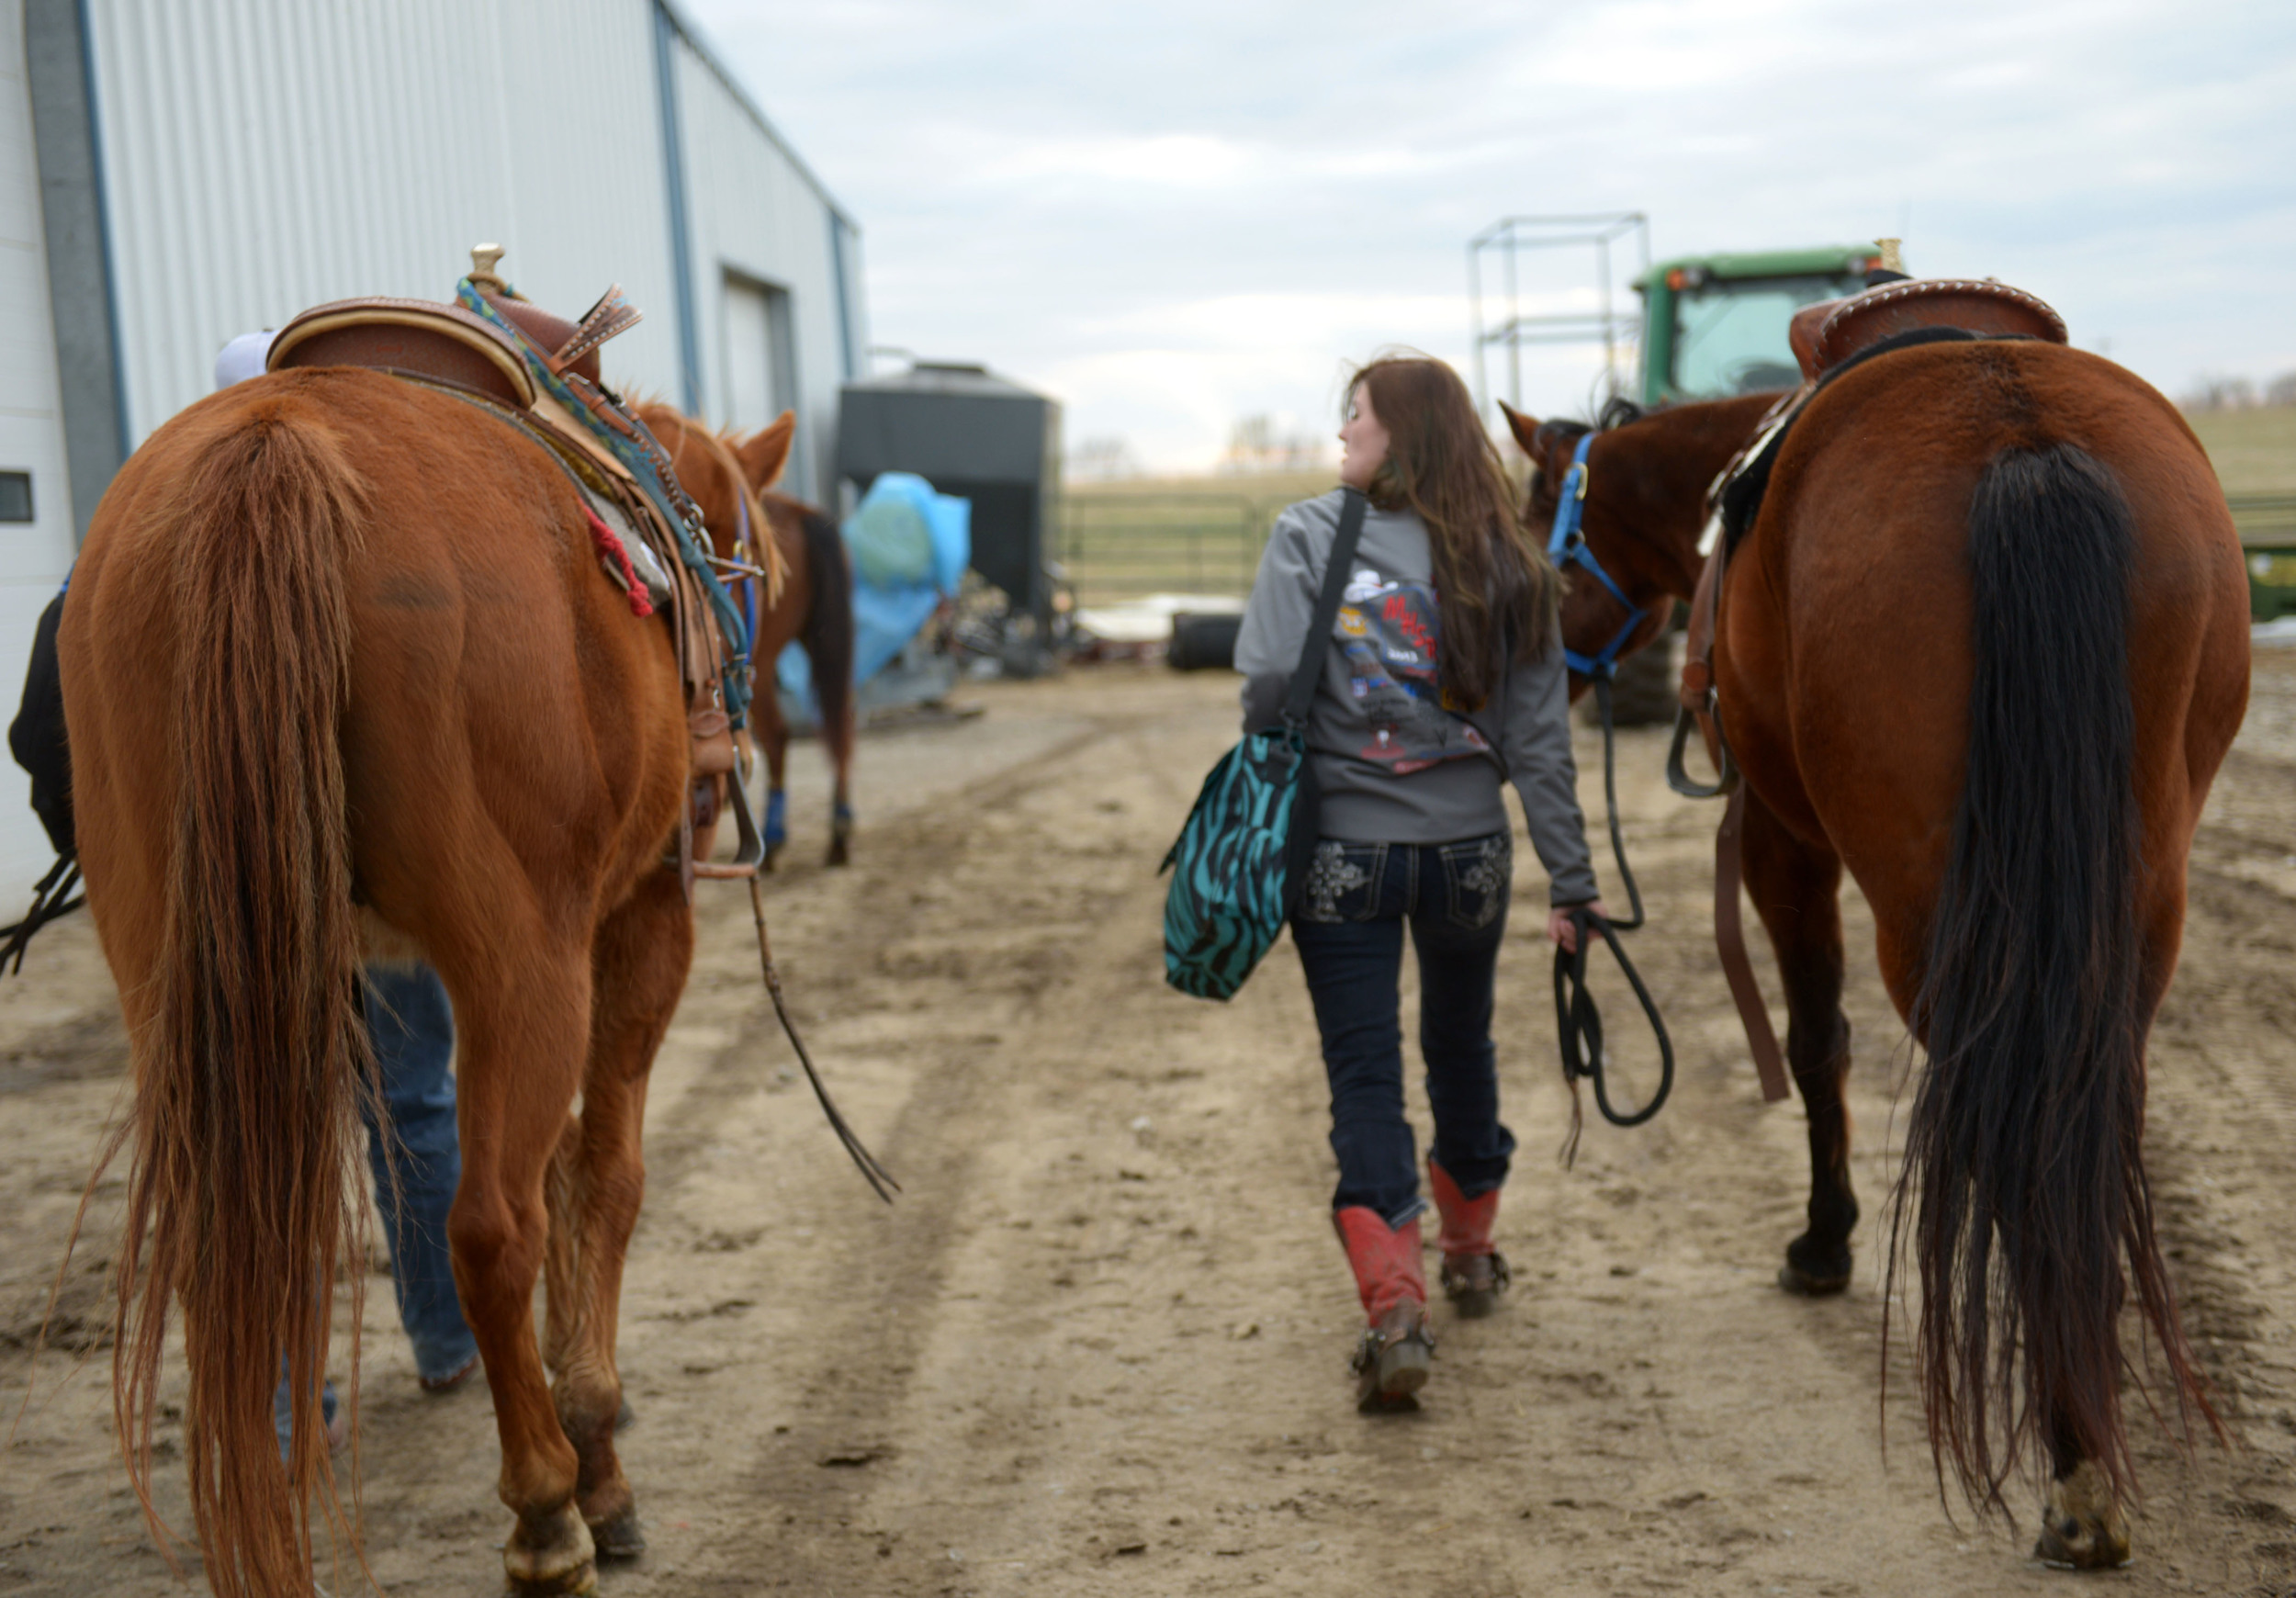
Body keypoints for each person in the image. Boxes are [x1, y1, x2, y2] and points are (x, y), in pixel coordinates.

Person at [1232, 354, 1602, 1412]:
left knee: (1364, 1073)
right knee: (1461, 1042)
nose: (1342, 436)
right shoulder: (1515, 561)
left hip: (1340, 852)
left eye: (1354, 418)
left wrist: (1301, 737)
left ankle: (1394, 1307)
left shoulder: (1309, 533)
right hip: (1469, 857)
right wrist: (1570, 888)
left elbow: (1262, 681)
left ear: (1400, 433)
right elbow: (1539, 744)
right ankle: (1473, 1252)